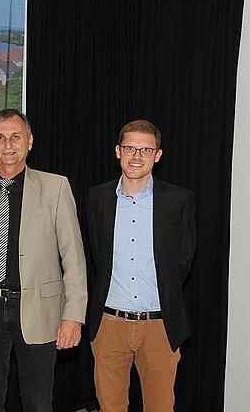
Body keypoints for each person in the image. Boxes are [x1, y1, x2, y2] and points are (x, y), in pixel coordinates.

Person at [0, 108, 87, 412]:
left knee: (38, 403)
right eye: (0, 138)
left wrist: (73, 317)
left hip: (39, 309)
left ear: (30, 141)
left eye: (15, 136)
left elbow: (74, 257)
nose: (8, 144)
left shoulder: (56, 187)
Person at [85, 119, 196, 412]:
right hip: (109, 325)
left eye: (146, 150)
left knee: (160, 408)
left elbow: (184, 260)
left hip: (160, 325)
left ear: (157, 155)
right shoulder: (97, 198)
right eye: (131, 148)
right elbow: (98, 255)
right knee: (110, 407)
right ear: (118, 151)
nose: (137, 156)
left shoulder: (179, 201)